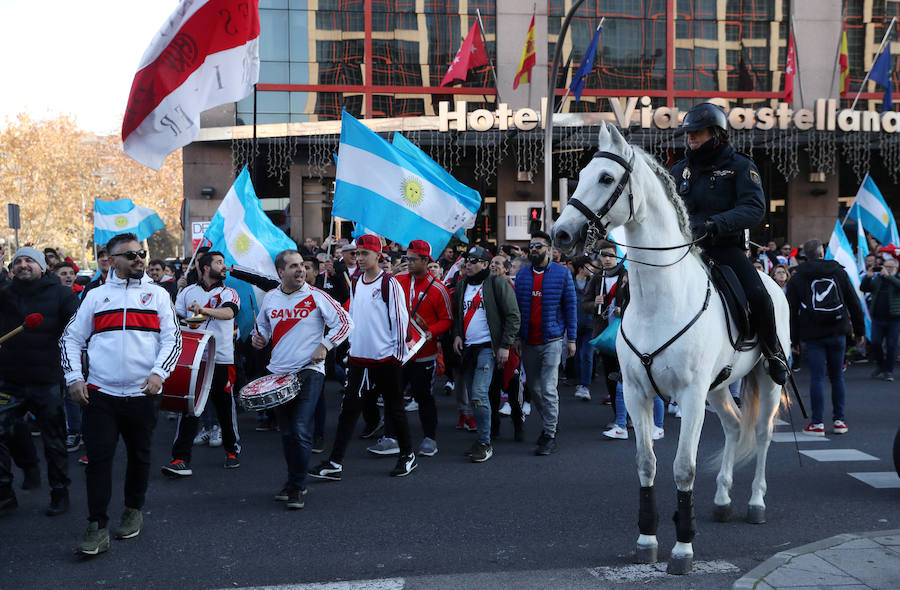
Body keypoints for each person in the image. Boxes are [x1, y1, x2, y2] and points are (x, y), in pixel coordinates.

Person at [61, 233, 182, 555]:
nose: (138, 259)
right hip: (100, 394)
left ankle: (133, 508)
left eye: (140, 253)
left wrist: (159, 373)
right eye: (129, 255)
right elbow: (71, 339)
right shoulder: (95, 296)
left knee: (139, 456)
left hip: (143, 394)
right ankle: (96, 525)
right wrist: (74, 378)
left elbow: (173, 340)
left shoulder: (157, 295)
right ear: (111, 260)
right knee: (99, 460)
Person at [671, 102, 789, 386]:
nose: (691, 137)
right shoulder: (679, 170)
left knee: (759, 296)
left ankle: (773, 352)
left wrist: (715, 223)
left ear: (717, 133)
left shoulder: (740, 166)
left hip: (723, 249)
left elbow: (753, 208)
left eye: (698, 132)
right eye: (689, 133)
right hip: (686, 252)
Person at [309, 234, 416, 480]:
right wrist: (352, 349)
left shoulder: (389, 283)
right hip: (360, 359)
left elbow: (400, 321)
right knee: (349, 410)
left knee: (395, 408)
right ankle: (335, 462)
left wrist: (398, 356)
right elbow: (354, 315)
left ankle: (407, 454)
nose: (359, 258)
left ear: (378, 255)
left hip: (386, 359)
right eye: (357, 253)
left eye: (364, 253)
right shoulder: (356, 280)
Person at [252, 249, 352, 509]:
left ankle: (297, 486)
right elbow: (261, 328)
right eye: (294, 266)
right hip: (278, 373)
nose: (301, 270)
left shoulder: (317, 296)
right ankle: (293, 481)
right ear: (280, 272)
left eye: (303, 266)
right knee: (287, 433)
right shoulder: (271, 298)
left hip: (310, 371)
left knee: (299, 427)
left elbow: (345, 323)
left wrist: (326, 346)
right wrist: (258, 338)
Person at [0, 247, 79, 517]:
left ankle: (59, 492)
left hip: (47, 380)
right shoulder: (4, 294)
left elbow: (76, 332)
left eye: (29, 260)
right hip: (8, 380)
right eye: (18, 261)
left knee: (54, 440)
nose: (23, 265)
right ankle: (5, 492)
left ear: (43, 267)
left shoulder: (62, 294)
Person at [368, 240, 453, 457]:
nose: (409, 262)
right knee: (392, 395)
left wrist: (430, 332)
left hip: (424, 354)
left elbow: (447, 319)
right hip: (397, 353)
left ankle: (429, 439)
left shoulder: (438, 288)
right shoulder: (397, 281)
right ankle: (390, 437)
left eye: (414, 259)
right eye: (407, 258)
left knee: (424, 397)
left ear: (426, 261)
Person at [162, 251, 242, 478]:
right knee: (188, 408)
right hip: (194, 359)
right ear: (205, 267)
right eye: (219, 263)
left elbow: (228, 313)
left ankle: (232, 451)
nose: (223, 267)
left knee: (225, 407)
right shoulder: (187, 292)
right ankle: (180, 458)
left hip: (222, 359)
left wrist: (203, 311)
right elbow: (176, 320)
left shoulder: (230, 292)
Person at [785, 239, 865, 436]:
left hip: (812, 334)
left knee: (817, 378)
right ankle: (839, 421)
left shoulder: (797, 278)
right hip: (838, 331)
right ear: (822, 253)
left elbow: (791, 312)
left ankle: (817, 423)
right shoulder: (839, 272)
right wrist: (859, 332)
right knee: (837, 377)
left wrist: (793, 340)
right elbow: (854, 304)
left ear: (805, 256)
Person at [452, 246, 520, 461]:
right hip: (468, 349)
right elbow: (458, 316)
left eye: (474, 261)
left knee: (480, 395)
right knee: (475, 397)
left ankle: (485, 443)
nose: (468, 264)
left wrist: (505, 345)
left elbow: (513, 315)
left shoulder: (497, 283)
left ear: (484, 264)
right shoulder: (462, 284)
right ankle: (482, 438)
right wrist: (457, 335)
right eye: (467, 260)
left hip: (487, 348)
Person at [513, 231, 578, 456]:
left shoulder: (561, 274)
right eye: (531, 246)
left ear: (549, 250)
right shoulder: (521, 276)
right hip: (528, 341)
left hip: (553, 340)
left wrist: (572, 339)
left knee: (549, 389)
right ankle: (551, 421)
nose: (533, 249)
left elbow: (570, 307)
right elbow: (517, 310)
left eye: (538, 246)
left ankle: (549, 434)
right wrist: (516, 338)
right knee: (535, 389)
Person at [860, 255, 900, 381]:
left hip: (894, 319)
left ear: (896, 268)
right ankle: (881, 365)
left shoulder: (897, 278)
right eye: (885, 267)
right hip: (878, 318)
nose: (887, 269)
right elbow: (864, 288)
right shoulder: (879, 280)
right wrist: (868, 277)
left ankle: (888, 370)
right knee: (876, 342)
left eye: (890, 267)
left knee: (891, 345)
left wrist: (889, 277)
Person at [571, 256, 600, 401]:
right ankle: (578, 382)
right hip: (573, 324)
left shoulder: (595, 282)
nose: (592, 268)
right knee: (575, 355)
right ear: (581, 268)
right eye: (589, 266)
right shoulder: (569, 281)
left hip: (589, 324)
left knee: (587, 355)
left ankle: (585, 385)